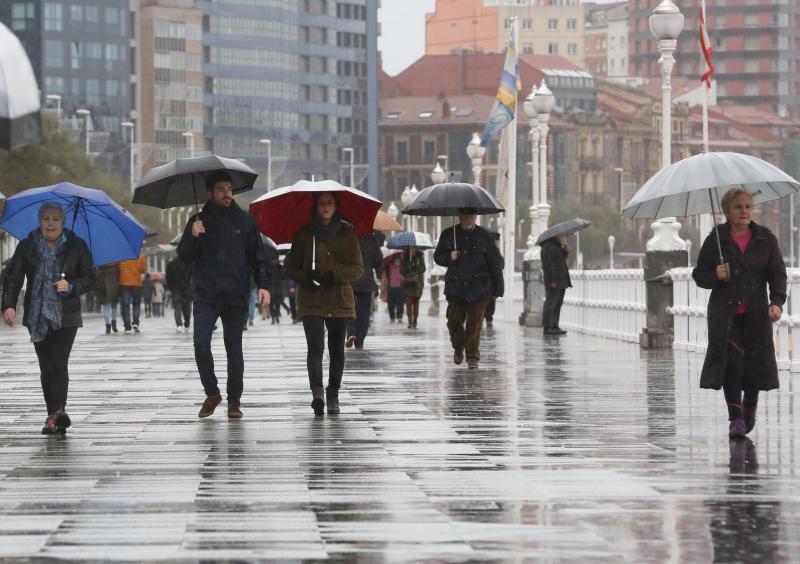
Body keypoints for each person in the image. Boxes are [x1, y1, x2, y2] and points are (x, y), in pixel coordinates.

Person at [692, 187, 786, 439]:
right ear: (726, 211)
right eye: (738, 207)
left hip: (756, 314)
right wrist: (716, 275)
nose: (744, 211)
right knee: (733, 364)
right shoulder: (716, 240)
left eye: (747, 206)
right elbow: (699, 276)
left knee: (754, 364)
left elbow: (777, 274)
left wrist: (777, 302)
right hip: (726, 315)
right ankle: (735, 419)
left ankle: (750, 405)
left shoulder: (765, 238)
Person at [177, 170, 271, 419]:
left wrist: (263, 285)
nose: (226, 194)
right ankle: (212, 392)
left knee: (234, 349)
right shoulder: (198, 220)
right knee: (200, 344)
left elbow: (258, 256)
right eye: (221, 190)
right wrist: (192, 235)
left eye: (229, 189)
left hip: (235, 294)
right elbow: (184, 256)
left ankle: (234, 401)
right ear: (210, 192)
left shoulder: (244, 220)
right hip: (206, 294)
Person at [1, 202, 96, 435]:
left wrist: (71, 285)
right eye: (46, 219)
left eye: (55, 219)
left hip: (67, 315)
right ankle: (51, 412)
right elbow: (14, 276)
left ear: (62, 222)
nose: (50, 223)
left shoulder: (76, 246)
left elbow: (91, 277)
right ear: (40, 221)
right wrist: (9, 305)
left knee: (58, 362)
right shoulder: (27, 246)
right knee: (46, 366)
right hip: (37, 314)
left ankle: (59, 412)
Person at [285, 191, 363, 416]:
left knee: (337, 349)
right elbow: (289, 266)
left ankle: (333, 392)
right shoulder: (304, 234)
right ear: (315, 206)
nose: (326, 207)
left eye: (329, 203)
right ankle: (317, 392)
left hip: (339, 298)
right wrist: (305, 276)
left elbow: (357, 268)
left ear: (336, 206)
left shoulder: (348, 233)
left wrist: (335, 275)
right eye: (321, 203)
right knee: (315, 347)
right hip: (312, 299)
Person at [434, 209, 503, 370]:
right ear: (459, 217)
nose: (468, 219)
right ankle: (458, 346)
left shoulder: (485, 236)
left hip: (480, 288)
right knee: (454, 321)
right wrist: (449, 257)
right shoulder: (449, 234)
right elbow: (438, 257)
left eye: (471, 216)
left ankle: (472, 357)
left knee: (475, 323)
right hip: (456, 289)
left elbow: (495, 262)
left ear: (475, 217)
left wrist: (498, 286)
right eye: (464, 216)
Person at [346, 232, 382, 349]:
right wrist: (379, 275)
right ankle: (360, 339)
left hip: (350, 280)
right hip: (366, 281)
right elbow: (379, 260)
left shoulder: (348, 236)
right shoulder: (371, 239)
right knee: (364, 311)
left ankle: (351, 333)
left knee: (350, 308)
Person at [540, 233, 572, 336]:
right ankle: (548, 327)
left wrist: (565, 251)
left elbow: (560, 260)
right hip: (554, 281)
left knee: (558, 303)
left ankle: (554, 325)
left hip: (561, 280)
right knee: (551, 303)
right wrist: (551, 281)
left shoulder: (557, 246)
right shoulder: (547, 247)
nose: (563, 237)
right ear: (555, 235)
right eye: (561, 235)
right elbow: (548, 266)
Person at [118, 251, 146, 333]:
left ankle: (127, 326)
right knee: (136, 303)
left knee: (126, 305)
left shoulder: (121, 255)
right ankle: (136, 323)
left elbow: (118, 269)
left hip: (124, 283)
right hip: (136, 283)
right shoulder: (140, 255)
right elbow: (143, 269)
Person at [400, 245, 426, 329]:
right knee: (408, 303)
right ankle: (410, 321)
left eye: (414, 248)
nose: (413, 250)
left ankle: (415, 320)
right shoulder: (405, 257)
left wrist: (415, 265)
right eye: (411, 248)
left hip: (417, 283)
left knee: (416, 303)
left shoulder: (420, 256)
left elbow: (423, 269)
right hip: (408, 284)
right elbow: (401, 270)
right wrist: (408, 266)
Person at [166, 255, 192, 333]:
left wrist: (170, 288)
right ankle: (186, 324)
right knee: (187, 308)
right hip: (186, 289)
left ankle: (179, 325)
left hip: (175, 289)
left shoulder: (171, 264)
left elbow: (168, 277)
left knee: (177, 307)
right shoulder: (189, 263)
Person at [97, 262, 120, 334]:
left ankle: (108, 326)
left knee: (106, 308)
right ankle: (114, 324)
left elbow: (99, 278)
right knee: (114, 307)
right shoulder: (118, 266)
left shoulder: (102, 266)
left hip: (105, 289)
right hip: (115, 289)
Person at [383, 255, 404, 323]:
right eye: (396, 260)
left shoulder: (402, 267)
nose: (397, 261)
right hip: (391, 288)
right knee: (391, 304)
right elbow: (384, 267)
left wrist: (403, 278)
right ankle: (392, 317)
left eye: (398, 260)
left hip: (399, 288)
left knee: (400, 304)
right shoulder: (389, 267)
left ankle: (399, 317)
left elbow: (404, 276)